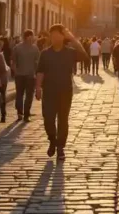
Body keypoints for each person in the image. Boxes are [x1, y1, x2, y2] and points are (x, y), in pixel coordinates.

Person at [35, 24, 88, 160]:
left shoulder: (70, 52)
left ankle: (60, 147)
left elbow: (84, 56)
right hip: (49, 92)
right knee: (48, 119)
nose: (53, 37)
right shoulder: (45, 53)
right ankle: (52, 140)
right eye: (51, 35)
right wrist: (38, 88)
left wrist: (73, 39)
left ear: (62, 36)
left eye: (57, 35)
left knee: (63, 120)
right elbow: (40, 71)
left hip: (65, 91)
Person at [13, 30, 41, 121]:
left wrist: (37, 74)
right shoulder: (18, 48)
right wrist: (16, 71)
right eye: (31, 36)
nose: (32, 38)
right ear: (27, 37)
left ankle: (25, 113)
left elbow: (38, 62)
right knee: (20, 95)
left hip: (30, 75)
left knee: (27, 95)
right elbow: (13, 61)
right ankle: (20, 113)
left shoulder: (35, 48)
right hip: (21, 75)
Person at [0, 36, 12, 123]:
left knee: (2, 95)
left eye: (2, 42)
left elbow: (7, 64)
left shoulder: (5, 52)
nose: (0, 43)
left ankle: (3, 114)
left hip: (3, 77)